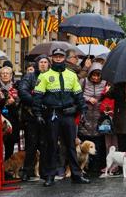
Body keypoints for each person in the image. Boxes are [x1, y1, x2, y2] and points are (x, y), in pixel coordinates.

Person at [33, 48, 89, 187]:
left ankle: (76, 175)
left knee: (71, 145)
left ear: (64, 58)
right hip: (53, 114)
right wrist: (38, 114)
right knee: (51, 145)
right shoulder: (44, 75)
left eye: (60, 56)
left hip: (68, 114)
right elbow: (37, 97)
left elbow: (78, 95)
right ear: (52, 58)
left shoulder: (72, 75)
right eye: (56, 56)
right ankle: (50, 176)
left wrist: (82, 110)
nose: (58, 58)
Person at [18, 55, 50, 181]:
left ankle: (44, 172)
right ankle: (27, 171)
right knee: (31, 145)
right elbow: (23, 91)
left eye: (45, 62)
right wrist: (36, 102)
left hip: (46, 116)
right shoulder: (29, 76)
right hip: (31, 116)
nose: (43, 64)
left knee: (45, 145)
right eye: (41, 62)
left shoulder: (52, 77)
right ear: (37, 64)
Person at [78, 62, 107, 174]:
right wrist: (87, 98)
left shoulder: (105, 83)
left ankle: (97, 166)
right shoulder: (83, 82)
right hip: (85, 117)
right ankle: (84, 167)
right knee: (85, 143)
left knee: (98, 143)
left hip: (99, 117)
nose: (95, 77)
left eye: (98, 75)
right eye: (93, 75)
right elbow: (77, 93)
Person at [0, 66, 20, 161]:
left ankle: (7, 166)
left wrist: (14, 102)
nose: (5, 74)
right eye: (3, 73)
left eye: (7, 73)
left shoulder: (16, 86)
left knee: (10, 144)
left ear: (11, 76)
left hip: (12, 118)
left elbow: (20, 102)